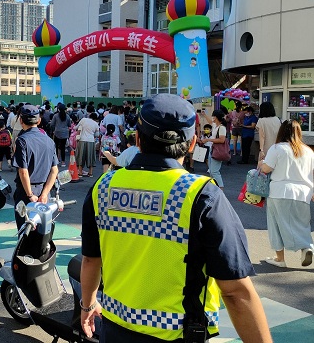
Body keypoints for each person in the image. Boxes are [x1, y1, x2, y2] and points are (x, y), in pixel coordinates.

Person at [80, 94, 272, 343]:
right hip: (177, 334)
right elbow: (235, 291)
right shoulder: (201, 195)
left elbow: (90, 260)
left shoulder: (103, 186)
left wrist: (87, 305)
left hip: (115, 329)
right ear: (192, 143)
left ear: (137, 139)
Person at [260, 119, 314, 267]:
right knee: (302, 224)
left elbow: (266, 169)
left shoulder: (277, 148)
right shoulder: (308, 151)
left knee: (276, 225)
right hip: (304, 193)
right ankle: (307, 247)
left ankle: (280, 259)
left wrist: (261, 163)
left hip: (279, 191)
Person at [12, 105, 59, 230]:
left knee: (25, 231)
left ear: (21, 120)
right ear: (38, 121)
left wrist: (30, 195)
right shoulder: (49, 141)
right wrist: (44, 194)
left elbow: (23, 171)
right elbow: (54, 170)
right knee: (43, 231)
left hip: (26, 192)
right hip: (44, 192)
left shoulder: (22, 140)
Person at [201, 110, 227, 189]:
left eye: (213, 116)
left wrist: (208, 140)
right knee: (212, 171)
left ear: (216, 117)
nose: (212, 118)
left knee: (214, 171)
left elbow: (222, 140)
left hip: (217, 151)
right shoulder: (216, 126)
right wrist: (204, 115)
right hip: (213, 150)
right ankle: (216, 187)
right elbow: (210, 122)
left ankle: (220, 188)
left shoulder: (222, 127)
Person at [76, 112, 100, 178]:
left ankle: (80, 172)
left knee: (81, 156)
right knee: (91, 156)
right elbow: (97, 135)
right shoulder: (96, 124)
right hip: (91, 141)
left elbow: (76, 127)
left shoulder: (83, 120)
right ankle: (90, 172)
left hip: (82, 140)